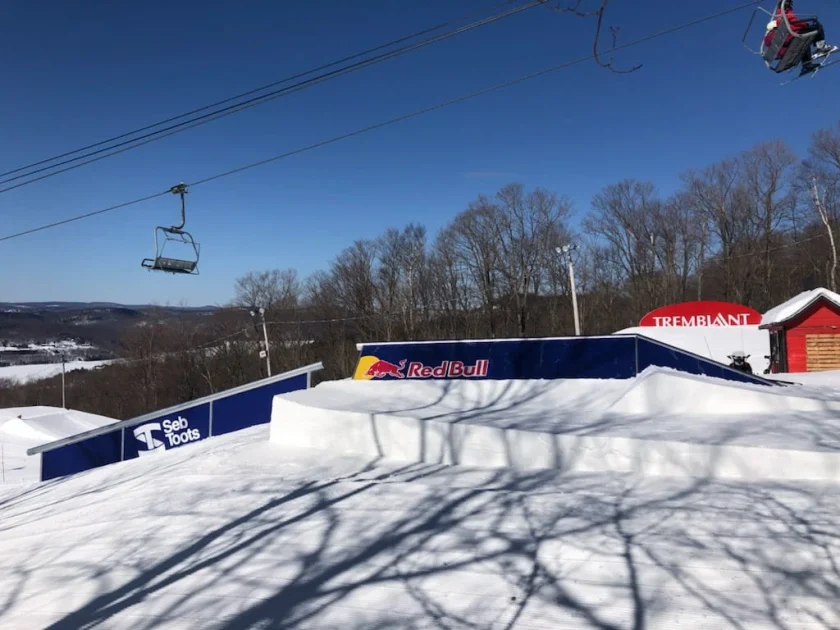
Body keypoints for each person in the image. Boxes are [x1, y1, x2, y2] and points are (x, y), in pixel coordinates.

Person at [763, 0, 838, 74]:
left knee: (802, 40)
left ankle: (806, 65)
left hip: (789, 48)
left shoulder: (770, 40)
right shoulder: (780, 27)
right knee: (816, 26)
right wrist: (805, 25)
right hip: (792, 39)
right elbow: (791, 24)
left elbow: (780, 51)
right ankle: (821, 48)